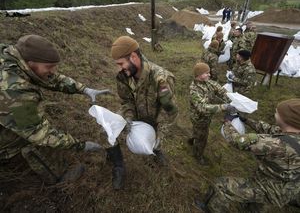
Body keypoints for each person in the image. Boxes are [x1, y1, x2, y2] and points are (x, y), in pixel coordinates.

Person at [0, 35, 109, 185]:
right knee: (29, 138)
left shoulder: (11, 56)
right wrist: (80, 145)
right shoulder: (15, 92)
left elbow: (51, 77)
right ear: (30, 64)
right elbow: (40, 135)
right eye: (49, 67)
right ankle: (59, 176)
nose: (53, 71)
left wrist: (84, 89)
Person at [196, 98, 300, 212]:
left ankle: (210, 210)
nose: (275, 112)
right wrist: (246, 120)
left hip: (270, 189)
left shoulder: (275, 144)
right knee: (255, 207)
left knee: (222, 185)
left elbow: (237, 140)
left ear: (287, 120)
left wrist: (227, 122)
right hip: (288, 188)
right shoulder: (293, 134)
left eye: (278, 112)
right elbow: (270, 129)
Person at [111, 36, 178, 185]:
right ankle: (119, 167)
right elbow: (126, 101)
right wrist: (128, 118)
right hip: (136, 117)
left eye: (121, 63)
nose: (119, 68)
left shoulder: (161, 78)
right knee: (108, 126)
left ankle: (158, 152)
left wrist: (159, 137)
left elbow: (169, 113)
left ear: (133, 57)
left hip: (156, 121)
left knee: (156, 144)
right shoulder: (123, 77)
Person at [189, 62, 236, 165]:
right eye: (206, 73)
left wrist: (232, 100)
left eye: (209, 72)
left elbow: (220, 90)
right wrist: (224, 107)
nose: (209, 75)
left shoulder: (208, 82)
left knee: (198, 133)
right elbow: (202, 107)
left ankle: (193, 139)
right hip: (199, 118)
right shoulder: (194, 90)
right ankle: (198, 156)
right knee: (202, 138)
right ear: (199, 75)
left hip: (206, 117)